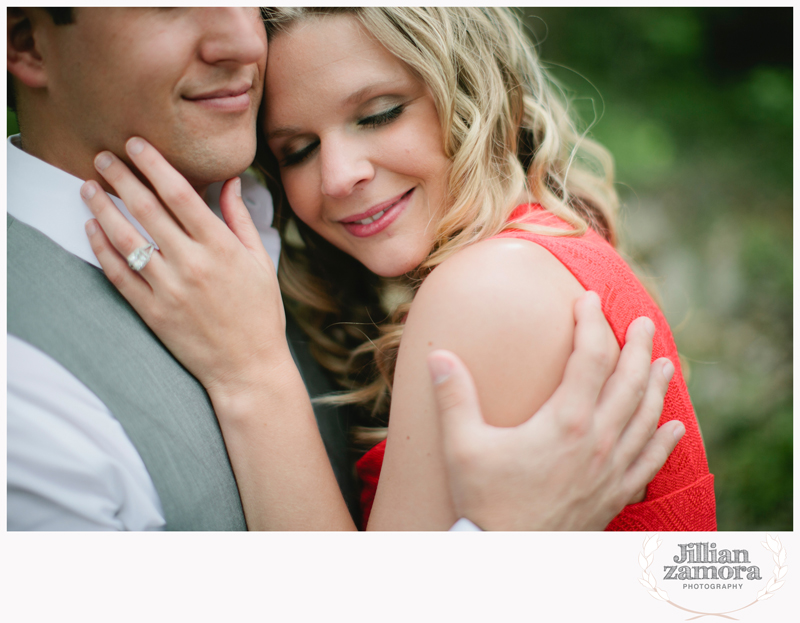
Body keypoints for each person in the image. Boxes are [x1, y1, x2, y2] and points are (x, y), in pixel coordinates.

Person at [7, 7, 680, 531]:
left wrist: (252, 374)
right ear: (25, 42)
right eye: (296, 150)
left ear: (470, 89)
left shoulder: (488, 289)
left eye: (380, 114)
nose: (337, 176)